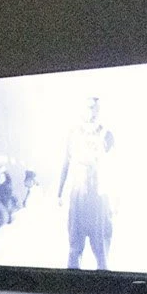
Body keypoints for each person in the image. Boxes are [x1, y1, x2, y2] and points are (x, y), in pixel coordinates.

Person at [58, 96, 115, 269]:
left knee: (101, 247)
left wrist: (116, 199)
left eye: (96, 108)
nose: (92, 111)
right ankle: (71, 285)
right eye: (89, 107)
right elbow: (66, 163)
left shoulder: (106, 133)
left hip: (98, 196)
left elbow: (114, 166)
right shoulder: (73, 133)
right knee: (75, 245)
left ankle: (104, 286)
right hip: (79, 195)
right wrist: (59, 192)